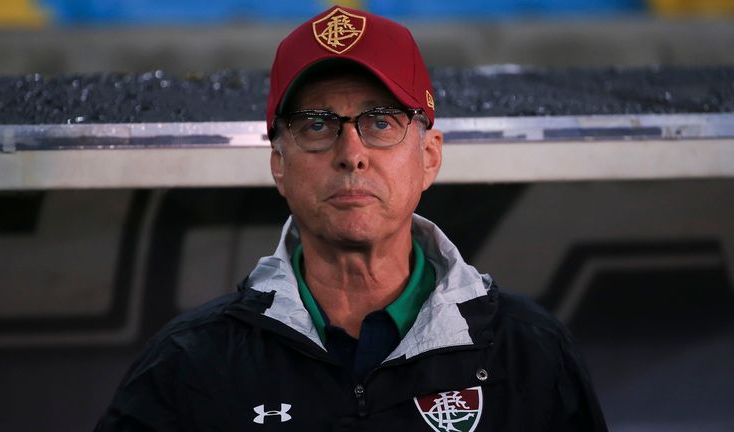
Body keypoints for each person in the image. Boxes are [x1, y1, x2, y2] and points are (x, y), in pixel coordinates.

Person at [95, 5, 607, 431]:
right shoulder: (188, 364)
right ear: (279, 162)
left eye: (380, 121)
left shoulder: (530, 353)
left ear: (429, 156)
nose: (351, 153)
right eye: (317, 125)